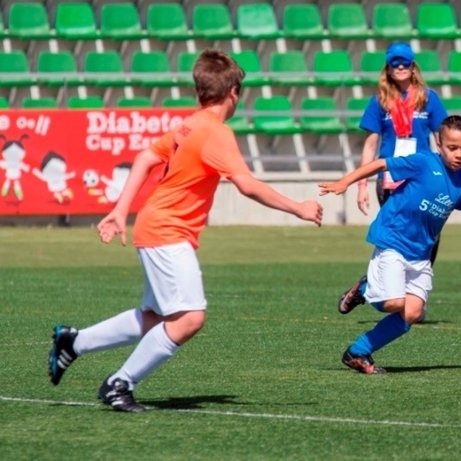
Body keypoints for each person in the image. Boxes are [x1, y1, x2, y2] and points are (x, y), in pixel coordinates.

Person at [47, 49, 323, 412]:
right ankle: (119, 384)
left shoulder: (188, 125)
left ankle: (74, 342)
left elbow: (146, 157)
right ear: (234, 92)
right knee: (190, 318)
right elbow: (247, 185)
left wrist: (120, 210)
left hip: (158, 226)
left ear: (199, 92)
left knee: (158, 318)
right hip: (166, 231)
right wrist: (299, 207)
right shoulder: (215, 133)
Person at [319, 115, 461, 374]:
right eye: (452, 147)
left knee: (412, 314)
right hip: (393, 240)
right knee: (395, 303)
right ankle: (364, 288)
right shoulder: (422, 162)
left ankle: (358, 352)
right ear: (439, 144)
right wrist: (346, 182)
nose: (459, 154)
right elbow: (380, 164)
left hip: (420, 254)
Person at [342, 42, 448, 317]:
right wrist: (362, 184)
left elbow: (442, 138)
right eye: (395, 64)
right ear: (388, 69)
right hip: (391, 177)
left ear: (414, 67)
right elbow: (370, 144)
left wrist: (447, 173)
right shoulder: (379, 101)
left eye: (405, 63)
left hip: (424, 178)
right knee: (397, 236)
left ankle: (412, 293)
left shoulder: (429, 98)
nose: (400, 68)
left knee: (429, 236)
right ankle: (379, 289)